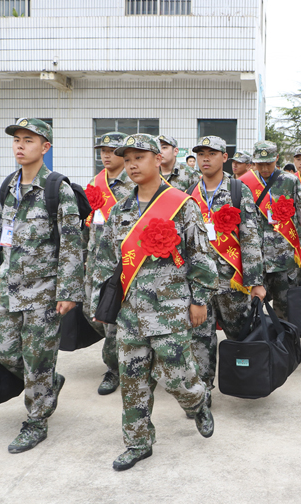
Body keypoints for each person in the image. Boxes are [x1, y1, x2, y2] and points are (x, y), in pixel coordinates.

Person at [91, 133, 217, 471]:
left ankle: (198, 401)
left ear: (158, 160)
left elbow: (200, 256)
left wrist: (200, 299)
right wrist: (98, 304)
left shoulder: (181, 204)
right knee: (132, 381)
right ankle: (137, 442)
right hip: (130, 313)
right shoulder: (119, 212)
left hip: (170, 310)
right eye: (127, 158)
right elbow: (104, 261)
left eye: (140, 157)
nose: (132, 164)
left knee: (178, 377)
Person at [0, 118, 84, 453]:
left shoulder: (58, 189)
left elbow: (72, 243)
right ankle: (51, 383)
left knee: (37, 358)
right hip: (10, 290)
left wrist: (69, 291)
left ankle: (36, 421)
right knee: (6, 350)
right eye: (17, 140)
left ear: (45, 147)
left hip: (44, 293)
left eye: (29, 140)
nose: (20, 145)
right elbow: (0, 238)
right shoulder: (8, 187)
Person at [187, 135, 265, 405]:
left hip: (232, 280)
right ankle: (203, 390)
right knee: (199, 338)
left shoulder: (237, 190)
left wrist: (256, 281)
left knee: (240, 332)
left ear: (225, 157)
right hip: (200, 281)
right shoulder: (189, 193)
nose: (205, 158)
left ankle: (247, 376)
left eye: (211, 153)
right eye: (201, 154)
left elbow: (250, 236)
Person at [239, 141, 301, 319]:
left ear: (276, 158)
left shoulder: (289, 181)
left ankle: (284, 341)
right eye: (260, 163)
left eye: (269, 163)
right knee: (253, 309)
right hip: (255, 259)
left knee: (285, 307)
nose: (265, 167)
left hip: (284, 256)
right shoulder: (243, 184)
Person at [84, 131, 133, 396]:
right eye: (102, 150)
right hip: (95, 259)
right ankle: (121, 353)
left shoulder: (133, 184)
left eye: (111, 150)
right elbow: (89, 221)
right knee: (91, 312)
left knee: (112, 317)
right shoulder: (95, 182)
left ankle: (114, 369)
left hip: (122, 262)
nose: (105, 155)